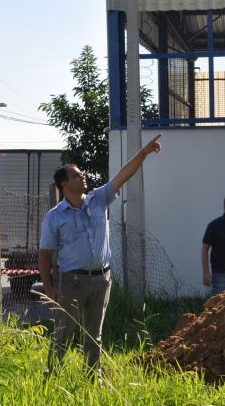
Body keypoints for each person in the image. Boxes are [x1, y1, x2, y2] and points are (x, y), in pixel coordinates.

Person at [39, 133, 163, 375]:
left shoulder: (98, 199)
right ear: (65, 185)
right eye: (76, 174)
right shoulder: (55, 216)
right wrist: (49, 286)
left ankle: (92, 378)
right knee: (64, 332)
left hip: (102, 279)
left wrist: (144, 153)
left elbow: (123, 175)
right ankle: (51, 377)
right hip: (72, 281)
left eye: (81, 172)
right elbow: (44, 254)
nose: (82, 175)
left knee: (94, 335)